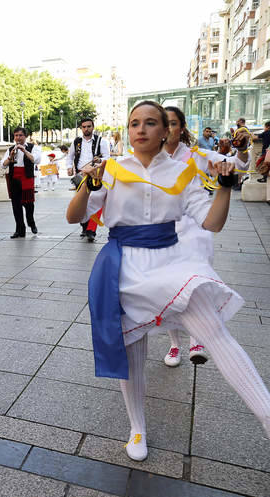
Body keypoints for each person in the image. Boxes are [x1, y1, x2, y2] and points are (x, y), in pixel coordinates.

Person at [66, 100, 270, 462]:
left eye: (149, 123)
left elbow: (211, 223)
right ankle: (137, 427)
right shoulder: (111, 169)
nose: (140, 130)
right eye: (133, 124)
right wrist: (88, 182)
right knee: (132, 352)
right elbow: (74, 216)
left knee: (216, 335)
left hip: (172, 262)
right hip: (123, 266)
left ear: (166, 131)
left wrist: (224, 187)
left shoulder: (183, 171)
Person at [161, 106, 250, 367]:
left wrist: (242, 149)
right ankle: (174, 344)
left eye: (174, 123)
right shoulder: (148, 160)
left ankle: (196, 339)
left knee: (196, 285)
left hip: (196, 231)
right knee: (168, 290)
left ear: (182, 128)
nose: (168, 129)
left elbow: (238, 163)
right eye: (163, 123)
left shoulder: (197, 155)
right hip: (163, 233)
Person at [66, 118, 110, 242]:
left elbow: (107, 158)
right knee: (82, 201)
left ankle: (91, 230)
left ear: (93, 127)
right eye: (84, 127)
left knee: (95, 200)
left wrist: (99, 160)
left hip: (95, 175)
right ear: (81, 128)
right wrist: (69, 167)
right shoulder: (76, 142)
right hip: (80, 175)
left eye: (89, 126)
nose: (86, 129)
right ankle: (85, 227)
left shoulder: (101, 141)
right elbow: (70, 156)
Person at [2, 127, 41, 238]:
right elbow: (3, 164)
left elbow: (36, 160)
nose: (18, 138)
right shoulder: (10, 149)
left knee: (28, 204)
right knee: (16, 205)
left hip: (26, 177)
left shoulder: (33, 147)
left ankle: (31, 222)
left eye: (20, 135)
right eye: (16, 136)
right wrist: (10, 157)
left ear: (25, 136)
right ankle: (19, 229)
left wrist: (24, 150)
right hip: (14, 178)